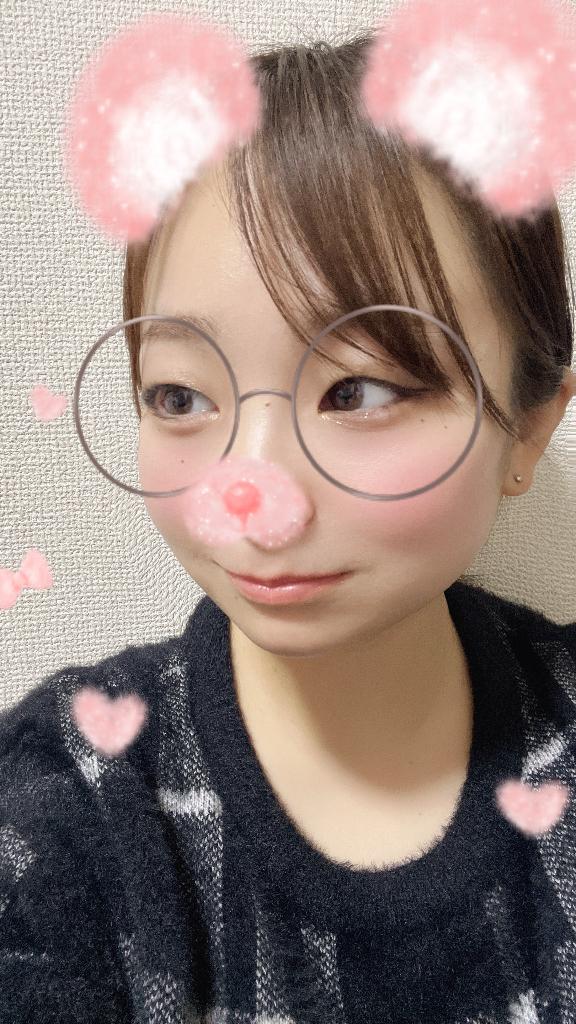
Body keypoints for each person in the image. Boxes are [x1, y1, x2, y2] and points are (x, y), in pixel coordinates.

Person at [1, 32, 576, 1024]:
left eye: (359, 390)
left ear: (529, 424)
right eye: (180, 396)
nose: (253, 497)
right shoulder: (63, 798)